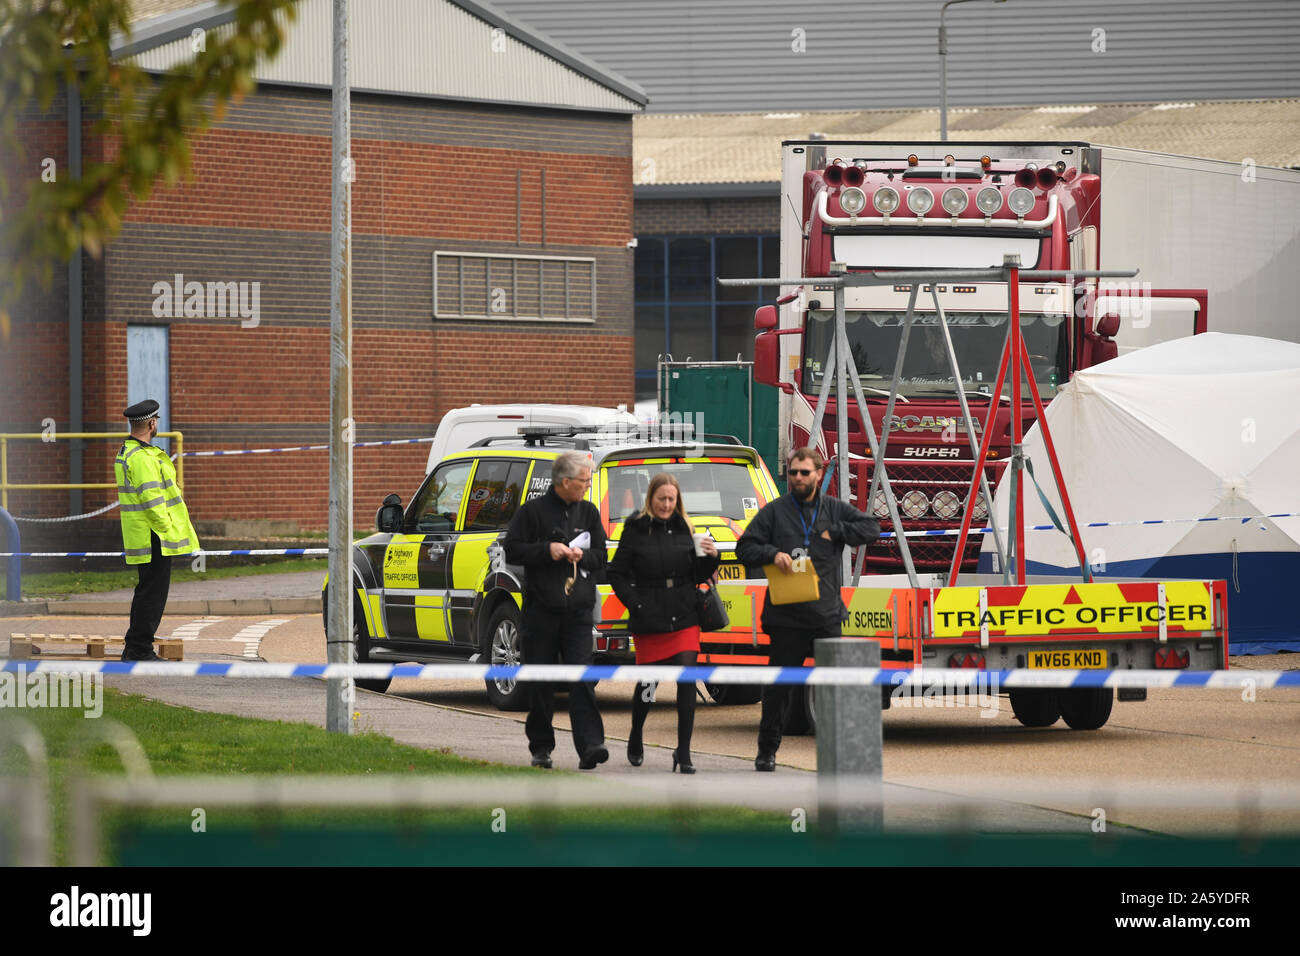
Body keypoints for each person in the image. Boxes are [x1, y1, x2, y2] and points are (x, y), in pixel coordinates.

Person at [736, 447, 880, 771]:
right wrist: (772, 554)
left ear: (818, 474)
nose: (797, 478)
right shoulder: (774, 512)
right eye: (792, 472)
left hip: (826, 616)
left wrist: (838, 532)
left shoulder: (833, 509)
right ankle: (767, 751)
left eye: (804, 472)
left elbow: (872, 528)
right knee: (779, 690)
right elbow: (744, 547)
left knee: (836, 688)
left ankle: (843, 753)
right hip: (786, 618)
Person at [607, 473, 720, 774]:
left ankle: (683, 753)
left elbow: (698, 574)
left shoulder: (685, 527)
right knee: (648, 684)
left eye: (672, 499)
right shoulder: (635, 528)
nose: (667, 505)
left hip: (684, 613)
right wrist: (635, 603)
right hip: (649, 614)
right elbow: (616, 573)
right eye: (662, 499)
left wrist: (712, 557)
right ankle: (635, 734)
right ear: (651, 499)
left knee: (686, 681)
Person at [503, 450, 609, 770]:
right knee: (541, 681)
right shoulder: (532, 512)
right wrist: (546, 550)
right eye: (584, 480)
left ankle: (590, 745)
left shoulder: (588, 512)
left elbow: (602, 557)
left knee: (581, 678)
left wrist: (581, 556)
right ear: (565, 482)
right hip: (541, 610)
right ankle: (541, 746)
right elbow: (512, 549)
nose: (588, 486)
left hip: (577, 610)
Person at [114, 399, 200, 662]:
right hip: (154, 535)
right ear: (152, 424)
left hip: (145, 533)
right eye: (157, 421)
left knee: (147, 590)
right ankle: (139, 649)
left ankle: (134, 647)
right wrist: (167, 530)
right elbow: (152, 501)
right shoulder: (141, 458)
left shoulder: (132, 452)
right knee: (152, 593)